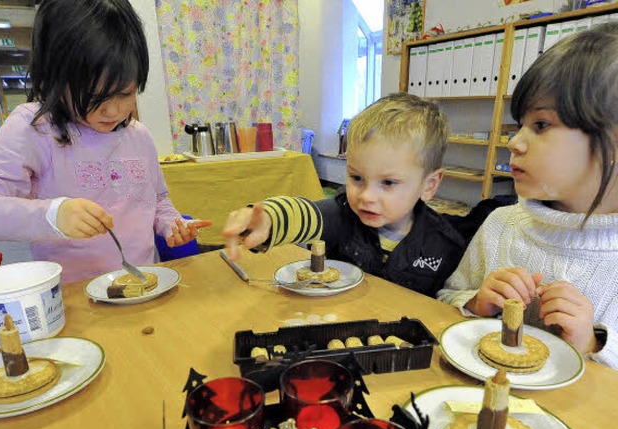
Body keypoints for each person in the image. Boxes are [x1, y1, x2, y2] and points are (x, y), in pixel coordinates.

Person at [0, 0, 210, 283]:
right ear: (56, 77)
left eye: (125, 94)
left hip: (145, 286)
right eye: (94, 97)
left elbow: (158, 201)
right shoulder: (35, 128)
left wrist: (171, 224)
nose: (112, 111)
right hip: (75, 299)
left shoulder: (139, 136)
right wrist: (53, 214)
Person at [437, 22, 618, 368]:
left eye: (541, 125)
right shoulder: (502, 224)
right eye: (520, 125)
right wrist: (477, 303)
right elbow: (446, 298)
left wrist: (592, 344)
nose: (514, 142)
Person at [222, 92, 468, 298]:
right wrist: (269, 219)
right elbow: (307, 214)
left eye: (388, 182)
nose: (366, 196)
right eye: (356, 178)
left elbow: (447, 303)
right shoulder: (343, 215)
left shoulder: (446, 244)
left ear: (429, 185)